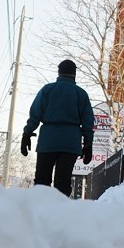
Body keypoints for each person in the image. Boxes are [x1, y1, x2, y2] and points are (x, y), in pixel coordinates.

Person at [20, 58, 95, 197]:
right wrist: (88, 145)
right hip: (70, 143)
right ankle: (59, 214)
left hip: (48, 141)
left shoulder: (47, 90)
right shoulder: (81, 94)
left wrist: (27, 134)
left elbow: (35, 114)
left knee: (42, 181)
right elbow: (88, 122)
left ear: (59, 73)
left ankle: (40, 213)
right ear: (74, 74)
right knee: (62, 183)